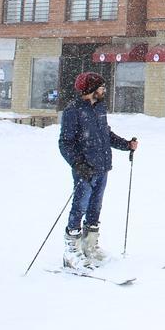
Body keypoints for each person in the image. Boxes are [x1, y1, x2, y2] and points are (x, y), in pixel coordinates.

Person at [57, 72, 137, 271]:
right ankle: (71, 251)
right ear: (90, 90)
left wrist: (126, 144)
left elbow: (105, 134)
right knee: (79, 208)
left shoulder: (99, 108)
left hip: (102, 167)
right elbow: (65, 143)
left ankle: (89, 246)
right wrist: (78, 164)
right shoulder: (73, 111)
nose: (104, 91)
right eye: (101, 88)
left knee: (95, 208)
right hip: (85, 169)